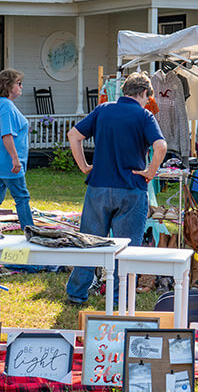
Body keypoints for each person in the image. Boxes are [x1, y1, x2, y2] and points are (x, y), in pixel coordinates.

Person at [65, 72, 166, 304]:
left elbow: (73, 135)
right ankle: (120, 299)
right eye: (147, 97)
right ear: (143, 93)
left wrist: (84, 166)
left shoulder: (103, 109)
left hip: (98, 186)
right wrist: (150, 172)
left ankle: (76, 294)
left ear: (124, 91)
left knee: (89, 243)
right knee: (126, 248)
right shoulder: (144, 115)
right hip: (130, 188)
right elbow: (160, 146)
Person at [0, 69, 33, 227]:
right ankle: (30, 231)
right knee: (21, 197)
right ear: (8, 85)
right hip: (9, 164)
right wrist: (15, 159)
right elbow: (7, 135)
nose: (21, 86)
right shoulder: (7, 107)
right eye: (18, 83)